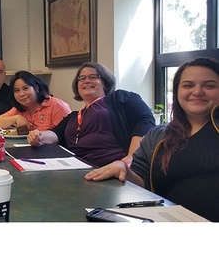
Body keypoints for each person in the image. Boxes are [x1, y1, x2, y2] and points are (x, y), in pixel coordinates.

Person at [85, 57, 219, 221]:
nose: (197, 91)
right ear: (177, 92)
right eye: (188, 85)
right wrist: (125, 170)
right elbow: (143, 182)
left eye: (209, 86)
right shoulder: (157, 137)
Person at [28, 62, 155, 167]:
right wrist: (39, 135)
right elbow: (55, 133)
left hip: (111, 169)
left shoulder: (120, 98)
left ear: (105, 82)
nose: (86, 81)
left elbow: (145, 121)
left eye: (93, 77)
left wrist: (131, 158)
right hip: (75, 170)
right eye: (81, 78)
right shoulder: (73, 117)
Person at [0, 70, 71, 132]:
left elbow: (66, 137)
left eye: (25, 88)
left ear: (36, 88)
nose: (21, 94)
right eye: (17, 90)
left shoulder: (57, 106)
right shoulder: (20, 108)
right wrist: (17, 118)